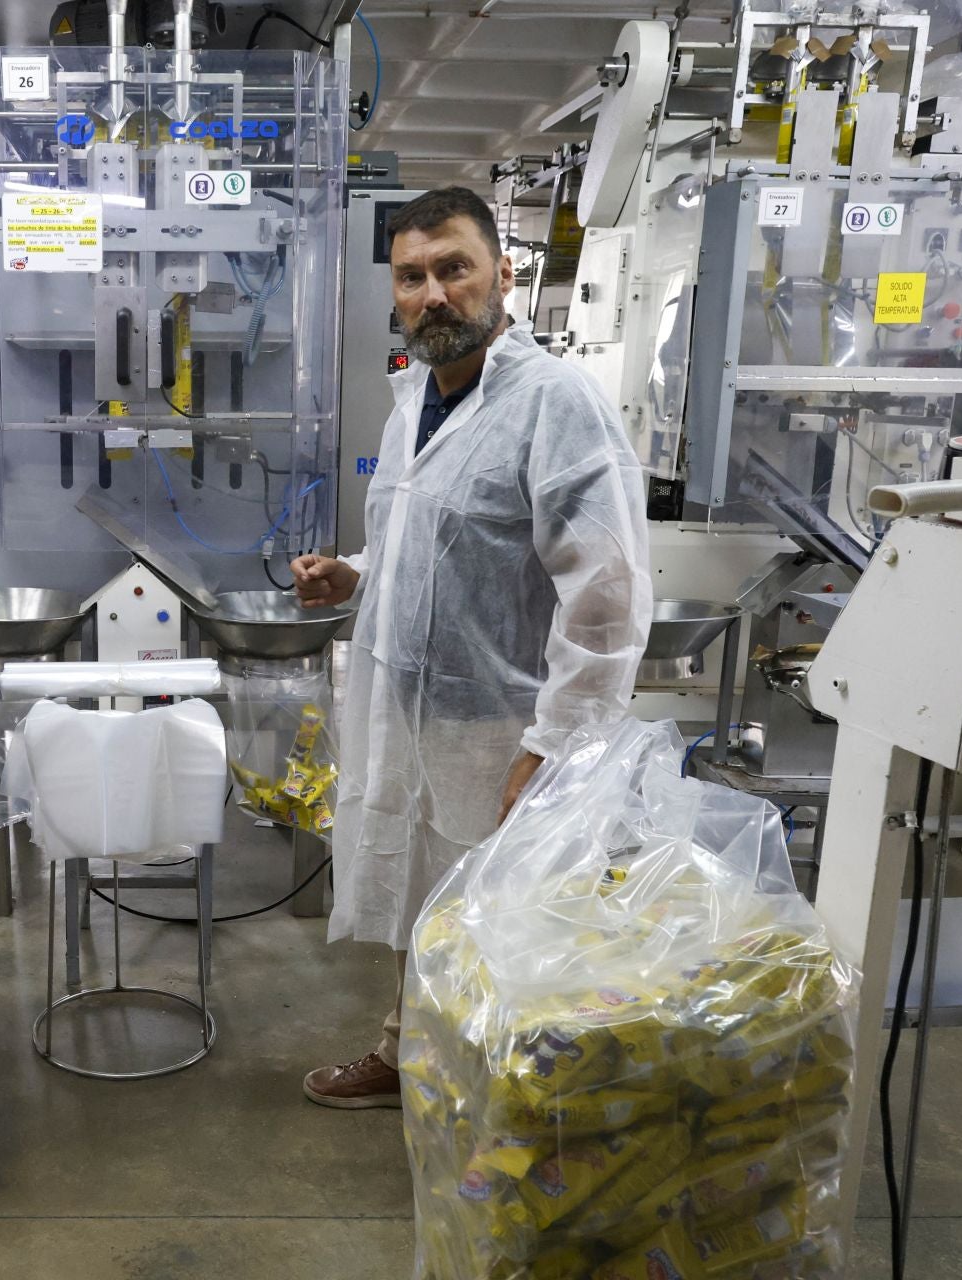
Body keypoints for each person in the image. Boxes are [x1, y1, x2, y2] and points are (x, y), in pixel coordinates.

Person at [292, 187, 652, 1108]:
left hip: (506, 718)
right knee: (429, 895)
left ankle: (496, 1099)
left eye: (454, 268)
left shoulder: (554, 402)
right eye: (412, 277)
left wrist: (558, 742)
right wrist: (358, 575)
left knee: (504, 914)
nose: (433, 294)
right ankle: (408, 1046)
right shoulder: (414, 398)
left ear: (503, 274)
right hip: (417, 706)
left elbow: (606, 593)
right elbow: (438, 537)